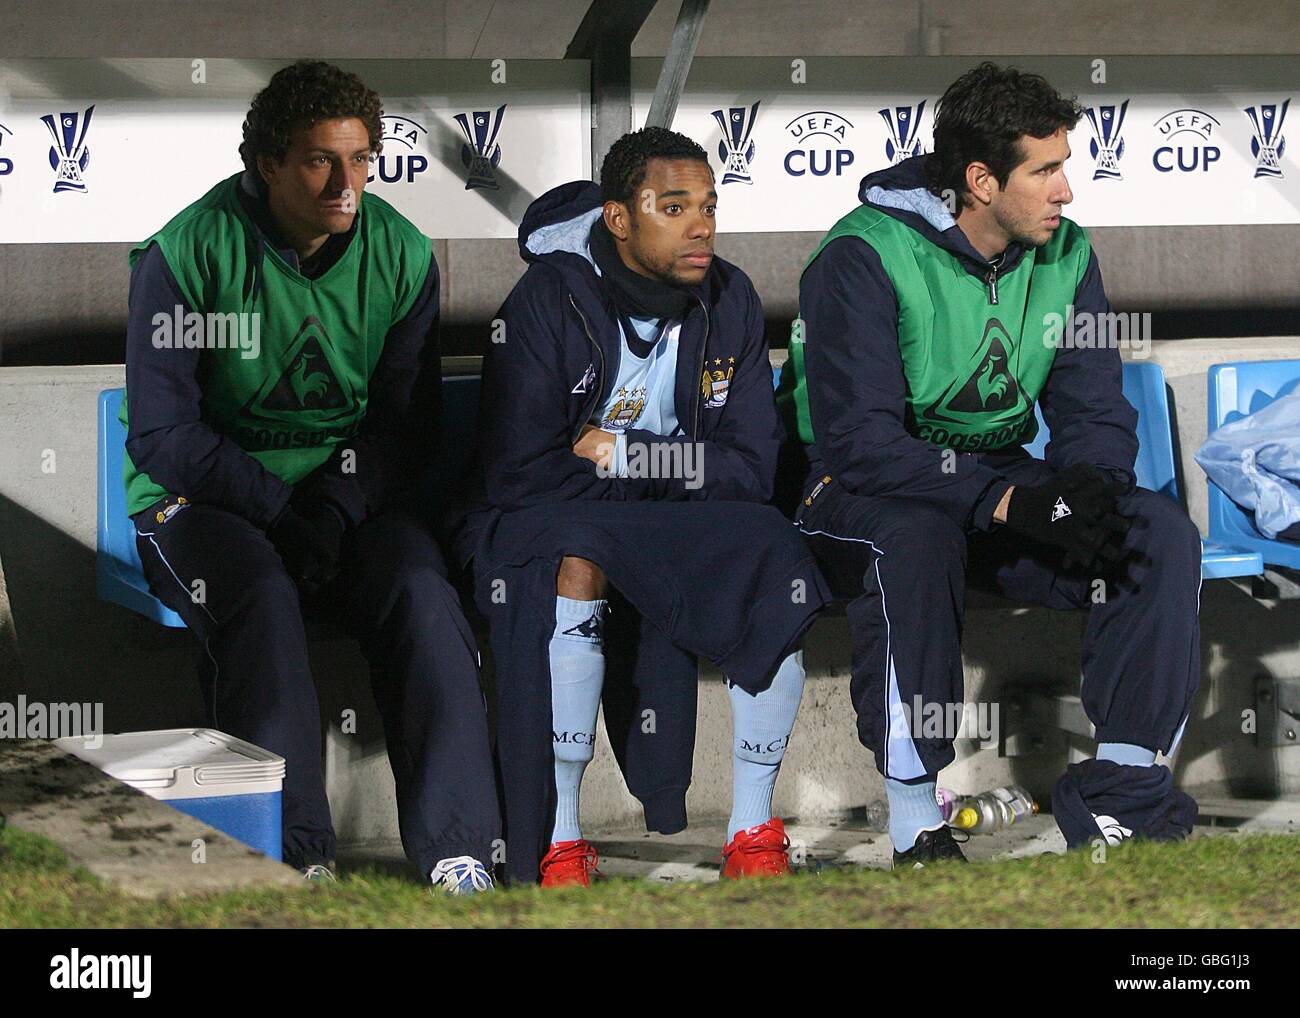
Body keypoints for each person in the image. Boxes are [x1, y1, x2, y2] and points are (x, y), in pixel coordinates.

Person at [779, 62, 1200, 867]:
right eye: (1045, 170)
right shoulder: (862, 255)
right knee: (915, 539)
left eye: (1065, 167)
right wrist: (1008, 502)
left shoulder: (1066, 253)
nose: (1066, 190)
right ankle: (915, 820)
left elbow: (1094, 410)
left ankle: (1122, 799)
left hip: (992, 480)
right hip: (859, 490)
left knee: (1155, 533)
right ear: (980, 180)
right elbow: (859, 444)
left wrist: (1091, 493)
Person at [121, 60, 500, 892]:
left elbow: (406, 426)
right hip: (204, 503)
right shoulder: (188, 251)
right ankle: (296, 857)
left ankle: (460, 851)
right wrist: (279, 509)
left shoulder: (398, 250)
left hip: (341, 500)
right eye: (320, 161)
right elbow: (161, 433)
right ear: (267, 163)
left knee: (420, 588)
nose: (346, 182)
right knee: (255, 592)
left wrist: (331, 506)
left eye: (361, 159)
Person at [454, 127, 830, 886]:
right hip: (537, 517)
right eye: (674, 206)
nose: (701, 226)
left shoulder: (730, 296)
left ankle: (752, 827)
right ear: (620, 218)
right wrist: (675, 475)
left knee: (772, 548)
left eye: (709, 206)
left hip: (652, 505)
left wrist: (626, 455)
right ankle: (561, 835)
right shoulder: (546, 299)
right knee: (579, 557)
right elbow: (521, 471)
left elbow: (752, 468)